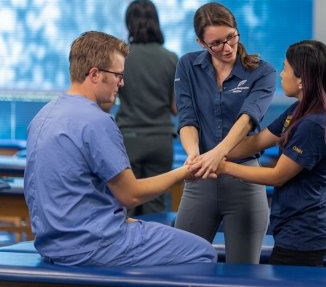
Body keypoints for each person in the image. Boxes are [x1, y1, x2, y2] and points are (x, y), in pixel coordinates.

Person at [24, 31, 216, 266]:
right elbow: (130, 195)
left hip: (52, 244)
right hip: (93, 246)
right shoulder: (96, 121)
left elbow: (71, 189)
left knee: (146, 227)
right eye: (118, 75)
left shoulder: (42, 116)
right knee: (203, 252)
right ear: (94, 74)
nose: (122, 83)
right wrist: (185, 173)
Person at [201, 40, 326, 267]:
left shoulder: (314, 124)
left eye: (285, 68)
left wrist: (222, 166)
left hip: (304, 233)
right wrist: (213, 154)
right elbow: (256, 142)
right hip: (293, 228)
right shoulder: (298, 111)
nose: (281, 74)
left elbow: (277, 176)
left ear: (301, 79)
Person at [174, 2, 276, 264]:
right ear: (201, 42)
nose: (227, 47)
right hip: (201, 180)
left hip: (244, 179)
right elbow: (187, 119)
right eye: (216, 43)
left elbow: (248, 119)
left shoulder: (262, 71)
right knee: (179, 264)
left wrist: (217, 155)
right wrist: (195, 155)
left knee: (243, 273)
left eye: (231, 37)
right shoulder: (188, 66)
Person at [116, 0, 178, 216]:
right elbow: (175, 108)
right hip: (160, 141)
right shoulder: (171, 59)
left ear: (128, 24)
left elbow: (107, 98)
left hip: (127, 140)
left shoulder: (120, 57)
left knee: (125, 205)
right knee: (156, 208)